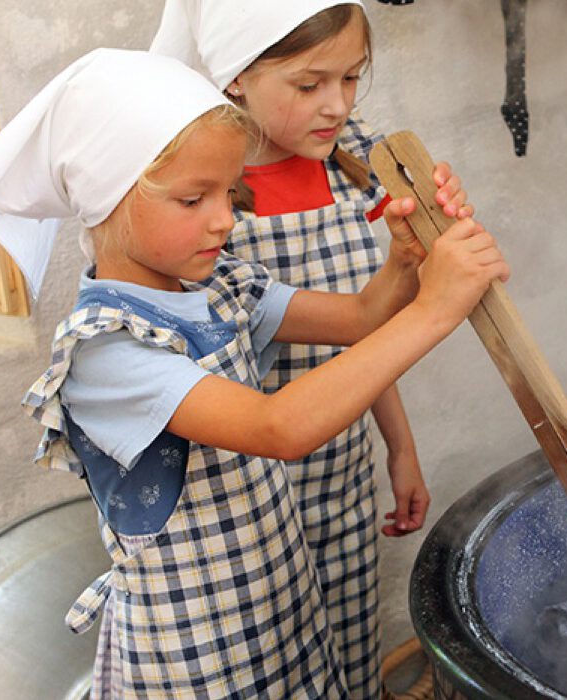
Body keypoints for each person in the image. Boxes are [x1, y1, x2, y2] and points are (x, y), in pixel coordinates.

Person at [0, 48, 507, 699]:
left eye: (230, 194)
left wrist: (408, 261)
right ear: (106, 201)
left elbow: (359, 317)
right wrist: (437, 311)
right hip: (195, 654)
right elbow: (278, 428)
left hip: (278, 608)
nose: (224, 219)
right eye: (195, 198)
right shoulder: (105, 352)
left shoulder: (220, 285)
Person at [150, 3, 472, 693]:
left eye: (352, 78)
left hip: (342, 474)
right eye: (309, 85)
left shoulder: (353, 164)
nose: (337, 104)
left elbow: (362, 326)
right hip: (238, 488)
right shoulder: (202, 206)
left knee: (346, 651)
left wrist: (401, 447)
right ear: (237, 78)